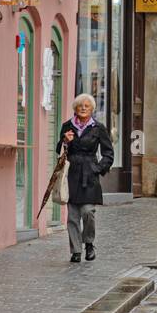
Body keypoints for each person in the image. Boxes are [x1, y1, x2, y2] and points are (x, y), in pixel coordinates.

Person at [57, 93, 114, 262]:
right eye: (80, 105)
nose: (83, 108)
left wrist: (98, 168)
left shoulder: (98, 128)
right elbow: (59, 150)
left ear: (92, 109)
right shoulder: (67, 126)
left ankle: (89, 243)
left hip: (89, 175)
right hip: (72, 174)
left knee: (88, 212)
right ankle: (76, 251)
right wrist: (65, 141)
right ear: (75, 108)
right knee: (73, 216)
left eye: (86, 106)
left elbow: (108, 153)